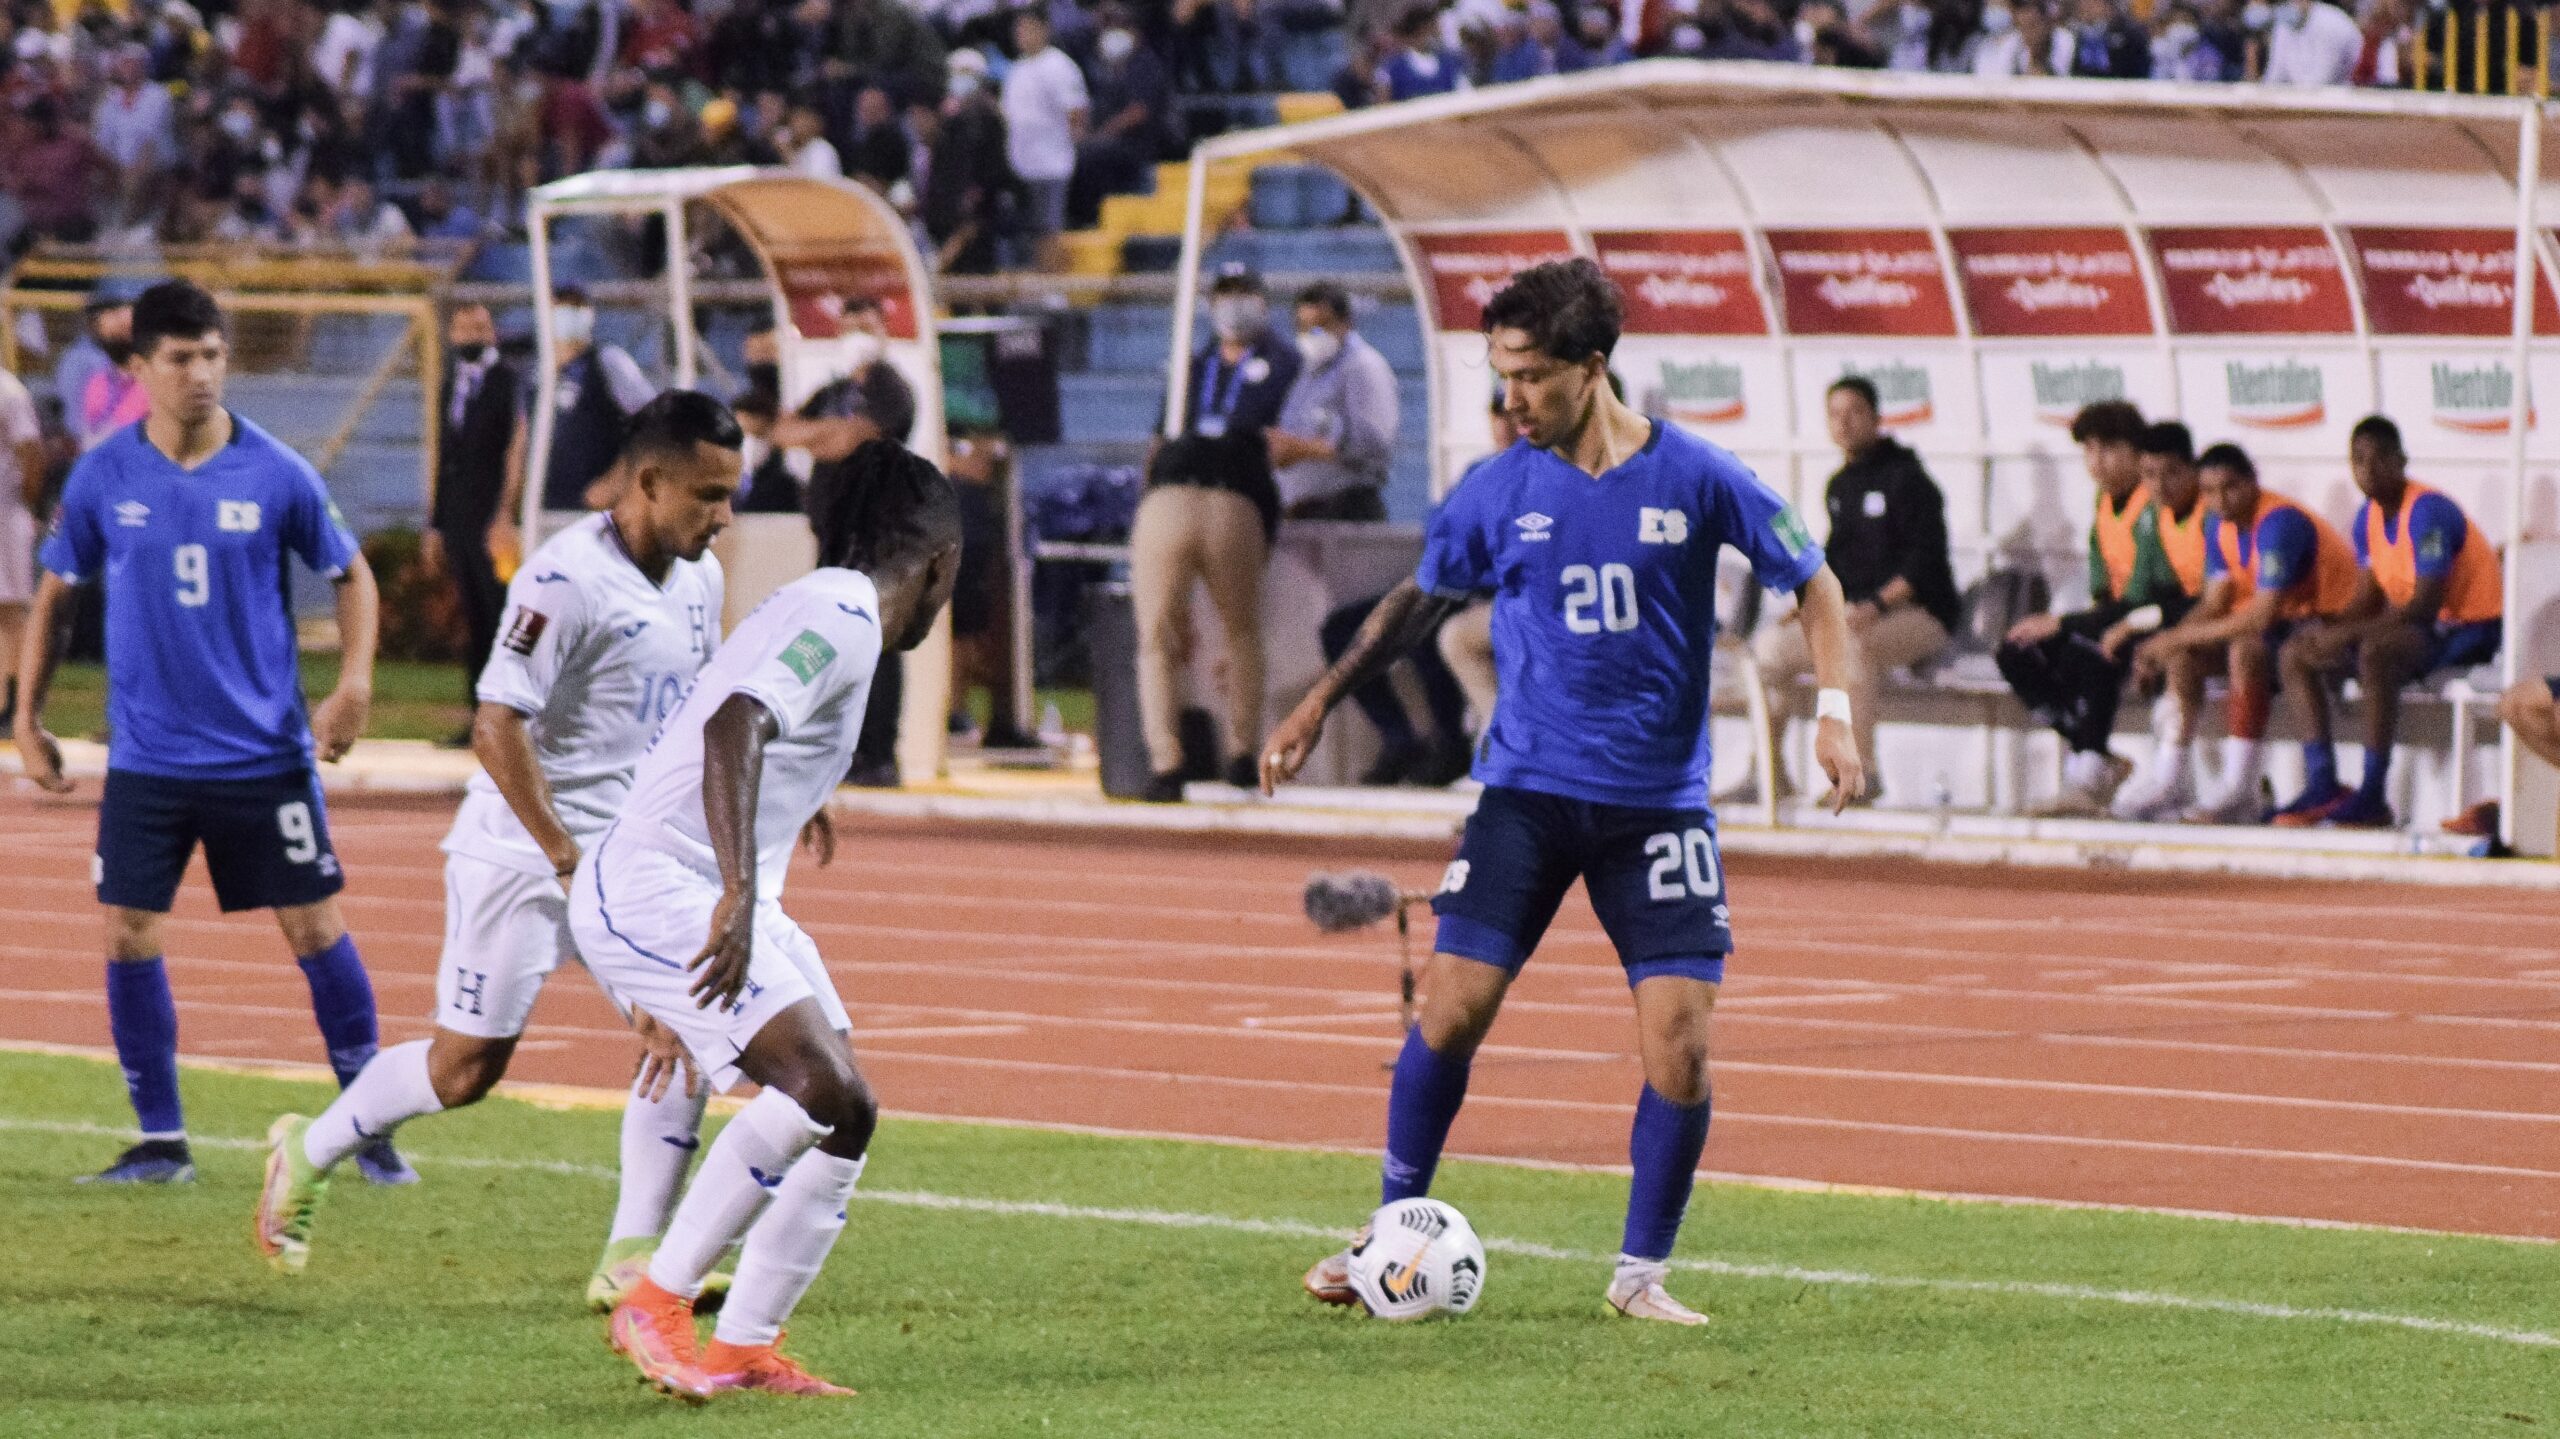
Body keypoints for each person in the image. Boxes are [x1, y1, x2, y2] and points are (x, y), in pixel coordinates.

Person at [1262, 258, 1864, 1326]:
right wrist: (1317, 702)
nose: (1512, 399)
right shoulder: (1497, 487)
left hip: (1658, 806)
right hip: (1527, 790)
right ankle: (1386, 1236)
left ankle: (1641, 1276)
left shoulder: (1697, 475)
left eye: (1531, 376)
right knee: (1452, 1006)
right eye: (1501, 375)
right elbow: (1412, 603)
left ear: (1593, 367)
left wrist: (1834, 715)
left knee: (1679, 1040)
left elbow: (1813, 581)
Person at [254, 393, 743, 1286]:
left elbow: (694, 711)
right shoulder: (565, 580)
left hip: (627, 858)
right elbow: (495, 726)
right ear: (648, 482)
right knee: (464, 1067)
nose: (724, 516)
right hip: (523, 852)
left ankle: (632, 1256)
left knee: (686, 1021)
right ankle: (309, 1147)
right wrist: (566, 857)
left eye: (728, 495)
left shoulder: (702, 579)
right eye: (708, 496)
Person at [576, 441, 959, 1402]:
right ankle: (654, 1299)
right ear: (941, 564)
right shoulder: (842, 612)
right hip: (664, 881)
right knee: (814, 1079)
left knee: (847, 1109)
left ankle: (743, 1343)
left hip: (701, 878)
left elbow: (745, 714)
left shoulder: (828, 607)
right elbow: (736, 719)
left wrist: (778, 820)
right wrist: (739, 894)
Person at [11, 279, 403, 1186]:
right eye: (181, 359)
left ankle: (371, 1127)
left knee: (314, 925)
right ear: (141, 367)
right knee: (126, 931)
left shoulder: (276, 470)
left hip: (262, 756)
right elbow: (55, 596)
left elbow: (351, 574)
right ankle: (161, 1140)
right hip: (148, 760)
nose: (201, 374)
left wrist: (354, 684)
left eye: (213, 355)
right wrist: (27, 721)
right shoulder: (106, 473)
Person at [2270, 416, 2502, 829]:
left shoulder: (2428, 510)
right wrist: (2328, 629)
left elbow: (2426, 604)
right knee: (2295, 653)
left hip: (2469, 628)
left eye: (2379, 459)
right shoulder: (2367, 518)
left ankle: (2373, 794)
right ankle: (2322, 782)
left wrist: (2349, 634)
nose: (2368, 470)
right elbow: (2366, 598)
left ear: (2401, 461)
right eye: (2358, 460)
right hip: (2423, 628)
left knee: (2376, 653)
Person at [1132, 263, 1299, 801]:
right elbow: (1158, 442)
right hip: (1179, 492)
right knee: (1166, 634)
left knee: (1236, 630)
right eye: (1224, 296)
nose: (1233, 306)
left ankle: (1237, 752)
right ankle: (1173, 759)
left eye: (1242, 294)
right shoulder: (1193, 363)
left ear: (1261, 301)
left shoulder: (1285, 361)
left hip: (1234, 491)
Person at [2126, 442, 2361, 823]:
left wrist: (2175, 637)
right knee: (2184, 658)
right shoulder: (2220, 524)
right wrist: (2166, 645)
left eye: (2230, 487)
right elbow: (2215, 601)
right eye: (2209, 491)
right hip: (2287, 626)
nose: (2220, 499)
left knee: (2244, 649)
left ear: (2253, 482)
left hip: (2329, 621)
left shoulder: (2278, 522)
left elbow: (2261, 618)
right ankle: (2170, 779)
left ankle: (2241, 785)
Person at [1750, 374, 1957, 802]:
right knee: (1769, 651)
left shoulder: (1910, 480)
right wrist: (1806, 604)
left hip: (1920, 615)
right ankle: (1768, 776)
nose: (1843, 423)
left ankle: (1859, 775)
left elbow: (1925, 563)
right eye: (1834, 414)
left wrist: (1878, 605)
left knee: (1851, 649)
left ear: (1877, 418)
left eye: (1854, 413)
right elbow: (1832, 562)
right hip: (1854, 615)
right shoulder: (1839, 486)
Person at [1997, 407, 2206, 815]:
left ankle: (2090, 771)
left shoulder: (2151, 505)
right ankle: (2091, 752)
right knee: (2017, 652)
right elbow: (2103, 593)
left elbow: (2146, 598)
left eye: (2109, 448)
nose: (2097, 461)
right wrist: (2078, 624)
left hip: (2162, 615)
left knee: (2091, 653)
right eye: (2089, 450)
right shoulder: (2104, 502)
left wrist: (2065, 623)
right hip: (2125, 615)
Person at [424, 302, 526, 732]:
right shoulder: (452, 384)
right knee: (475, 619)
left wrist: (504, 515)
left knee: (500, 615)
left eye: (480, 327)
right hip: (460, 519)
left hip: (491, 521)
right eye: (463, 327)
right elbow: (445, 456)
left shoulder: (508, 382)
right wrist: (436, 523)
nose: (471, 335)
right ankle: (477, 718)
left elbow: (515, 448)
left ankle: (509, 716)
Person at [1269, 280, 1399, 522]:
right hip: (1304, 515)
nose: (1312, 334)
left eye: (1321, 325)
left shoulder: (1362, 367)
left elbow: (1372, 445)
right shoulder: (1307, 372)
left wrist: (1301, 449)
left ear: (1346, 323)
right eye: (1304, 326)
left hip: (1345, 511)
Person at [539, 285, 658, 513]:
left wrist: (615, 480)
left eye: (576, 308)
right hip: (545, 506)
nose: (567, 316)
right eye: (562, 309)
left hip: (595, 508)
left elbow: (654, 424)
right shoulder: (536, 372)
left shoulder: (608, 363)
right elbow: (521, 435)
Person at [1002, 7, 1087, 267]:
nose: (1022, 35)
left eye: (1028, 28)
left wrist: (1072, 144)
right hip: (1021, 164)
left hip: (1051, 163)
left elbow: (1076, 110)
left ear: (1043, 30)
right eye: (1019, 29)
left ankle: (1056, 286)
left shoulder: (1059, 65)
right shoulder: (1016, 70)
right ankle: (1039, 284)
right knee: (1031, 231)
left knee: (1049, 230)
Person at [0, 365, 44, 727]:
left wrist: (27, 504)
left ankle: (17, 701)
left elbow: (30, 452)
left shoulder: (8, 391)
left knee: (13, 607)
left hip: (5, 513)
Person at [1376, 4, 1468, 99]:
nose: (1437, 32)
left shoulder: (1450, 63)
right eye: (1432, 27)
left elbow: (1465, 99)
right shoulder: (1392, 68)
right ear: (1421, 29)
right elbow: (1383, 106)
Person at [2261, 0, 2359, 83]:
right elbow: (2274, 76)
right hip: (2301, 93)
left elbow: (2322, 80)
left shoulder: (2331, 23)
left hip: (2345, 94)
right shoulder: (2285, 24)